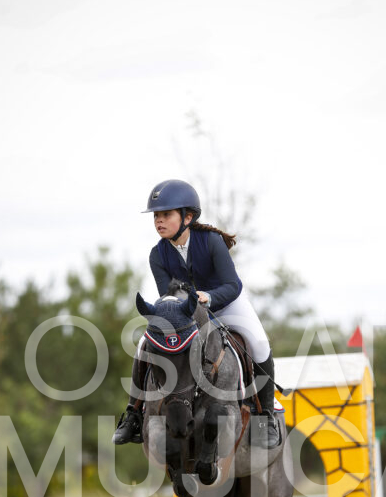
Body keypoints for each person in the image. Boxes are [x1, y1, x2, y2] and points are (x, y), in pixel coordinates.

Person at [113, 178, 280, 448]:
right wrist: (187, 309)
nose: (159, 221)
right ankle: (133, 413)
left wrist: (209, 297)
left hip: (228, 303)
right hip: (189, 312)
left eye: (166, 214)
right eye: (156, 216)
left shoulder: (211, 242)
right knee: (144, 343)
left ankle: (266, 417)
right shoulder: (157, 255)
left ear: (187, 217)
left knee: (259, 343)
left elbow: (232, 285)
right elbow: (168, 296)